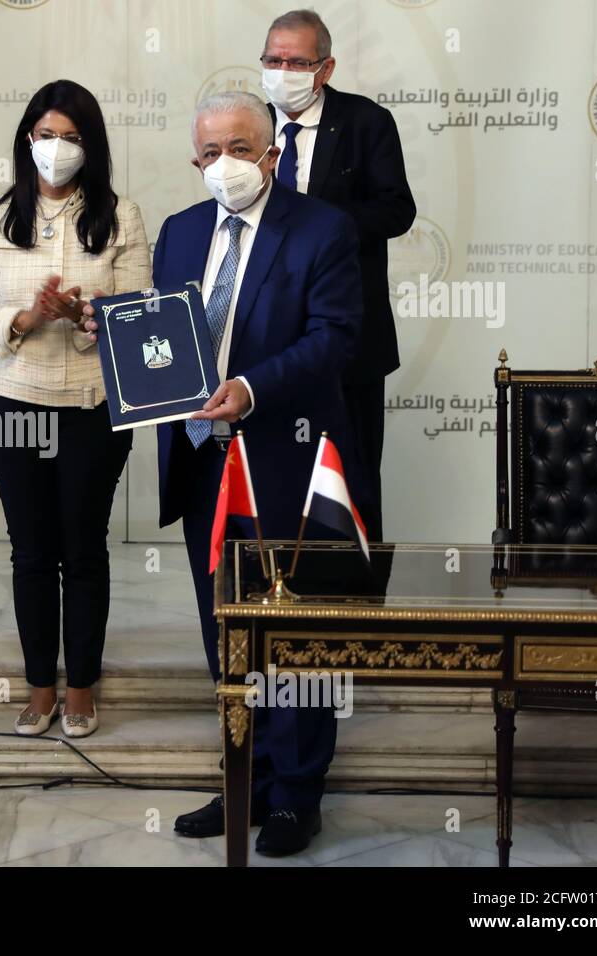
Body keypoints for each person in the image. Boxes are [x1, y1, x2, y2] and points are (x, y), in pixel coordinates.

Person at [84, 91, 368, 856]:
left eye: (241, 148)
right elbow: (163, 333)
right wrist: (111, 330)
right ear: (194, 160)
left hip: (287, 457)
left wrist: (250, 388)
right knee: (227, 630)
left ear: (271, 152)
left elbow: (336, 338)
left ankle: (297, 793)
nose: (225, 165)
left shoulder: (323, 229)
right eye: (210, 152)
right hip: (205, 460)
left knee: (293, 632)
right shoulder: (179, 231)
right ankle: (245, 774)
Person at [0, 79, 150, 739]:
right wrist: (28, 315)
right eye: (46, 136)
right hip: (13, 404)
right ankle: (41, 687)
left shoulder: (121, 216)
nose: (57, 149)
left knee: (83, 550)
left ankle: (83, 689)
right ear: (26, 140)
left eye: (70, 137)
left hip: (93, 405)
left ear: (89, 146)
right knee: (32, 552)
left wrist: (90, 317)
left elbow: (138, 318)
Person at [261, 8, 415, 541]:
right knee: (275, 479)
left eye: (297, 61)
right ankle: (270, 603)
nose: (283, 70)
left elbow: (398, 211)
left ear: (325, 68)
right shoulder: (249, 125)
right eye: (273, 59)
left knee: (352, 482)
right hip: (264, 344)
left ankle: (360, 607)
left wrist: (319, 224)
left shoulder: (365, 122)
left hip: (350, 339)